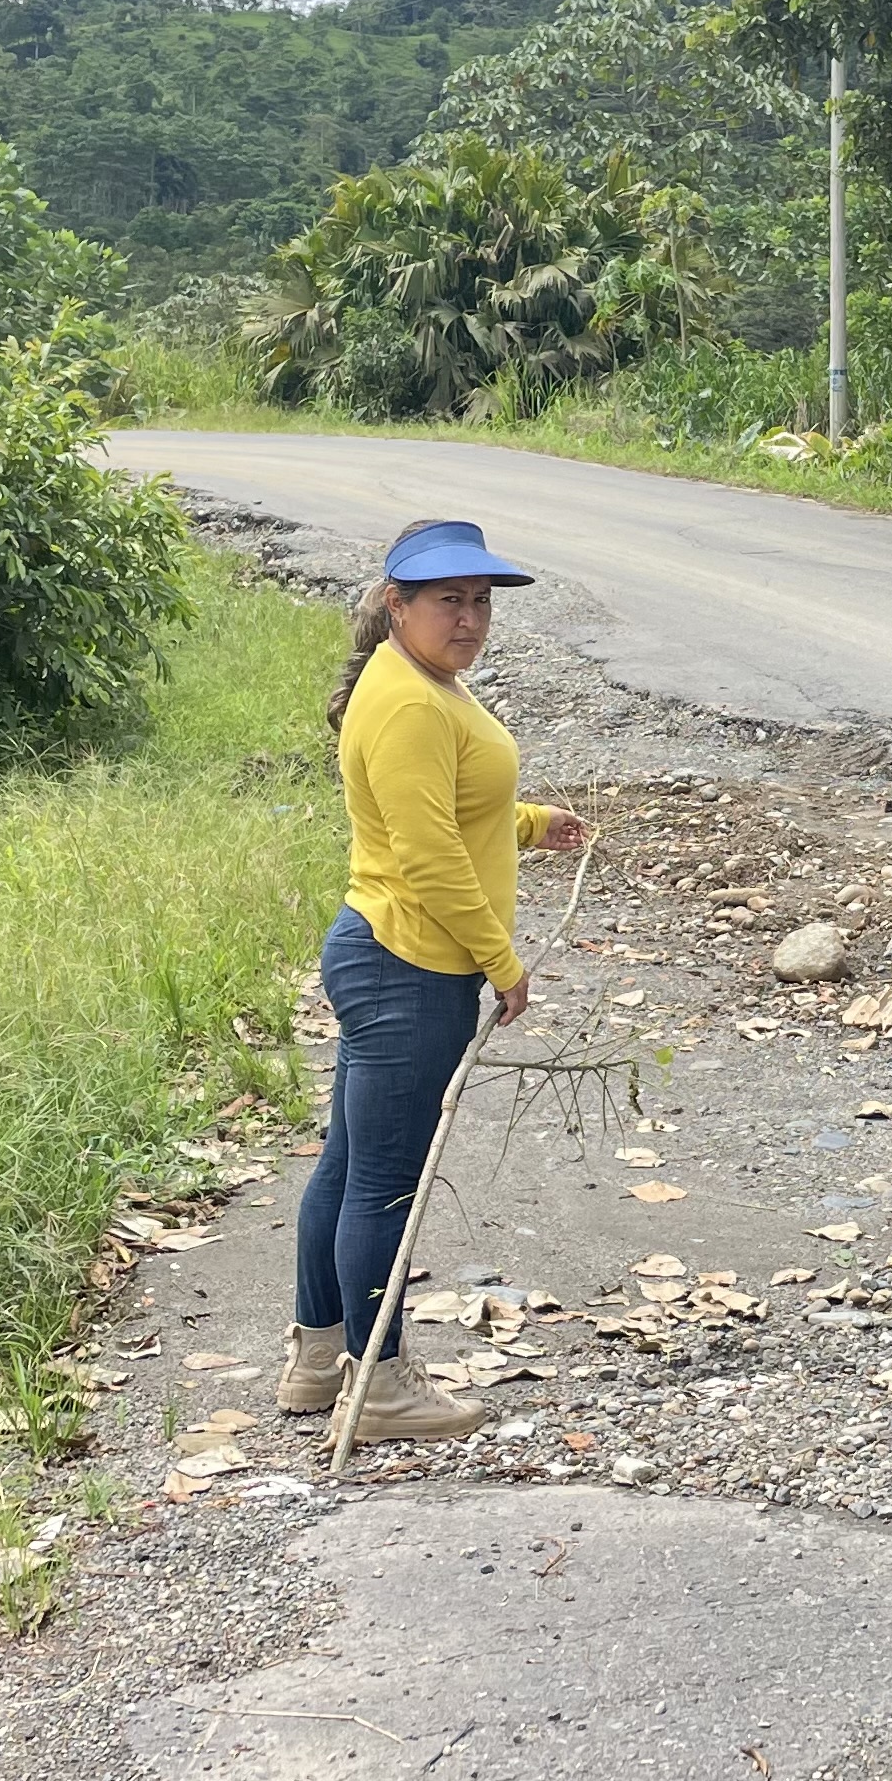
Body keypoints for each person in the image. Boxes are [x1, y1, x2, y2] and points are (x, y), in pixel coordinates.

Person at [275, 517, 590, 1441]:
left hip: (387, 953)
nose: (470, 619)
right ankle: (377, 1386)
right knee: (383, 1182)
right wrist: (502, 960)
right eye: (449, 600)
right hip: (411, 965)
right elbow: (427, 854)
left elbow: (448, 809)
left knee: (348, 1166)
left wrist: (528, 823)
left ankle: (318, 1364)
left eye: (481, 601)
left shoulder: (416, 683)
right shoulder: (411, 701)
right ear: (396, 603)